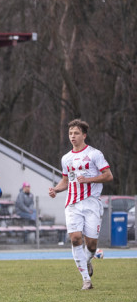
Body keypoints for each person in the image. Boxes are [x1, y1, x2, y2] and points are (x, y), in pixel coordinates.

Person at [47, 118, 113, 290]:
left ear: (84, 135)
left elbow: (108, 176)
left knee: (91, 244)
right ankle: (86, 280)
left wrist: (89, 179)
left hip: (92, 204)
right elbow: (65, 181)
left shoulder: (94, 154)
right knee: (75, 239)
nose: (72, 136)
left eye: (76, 133)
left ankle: (88, 260)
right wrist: (56, 189)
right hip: (73, 204)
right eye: (70, 133)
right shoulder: (66, 158)